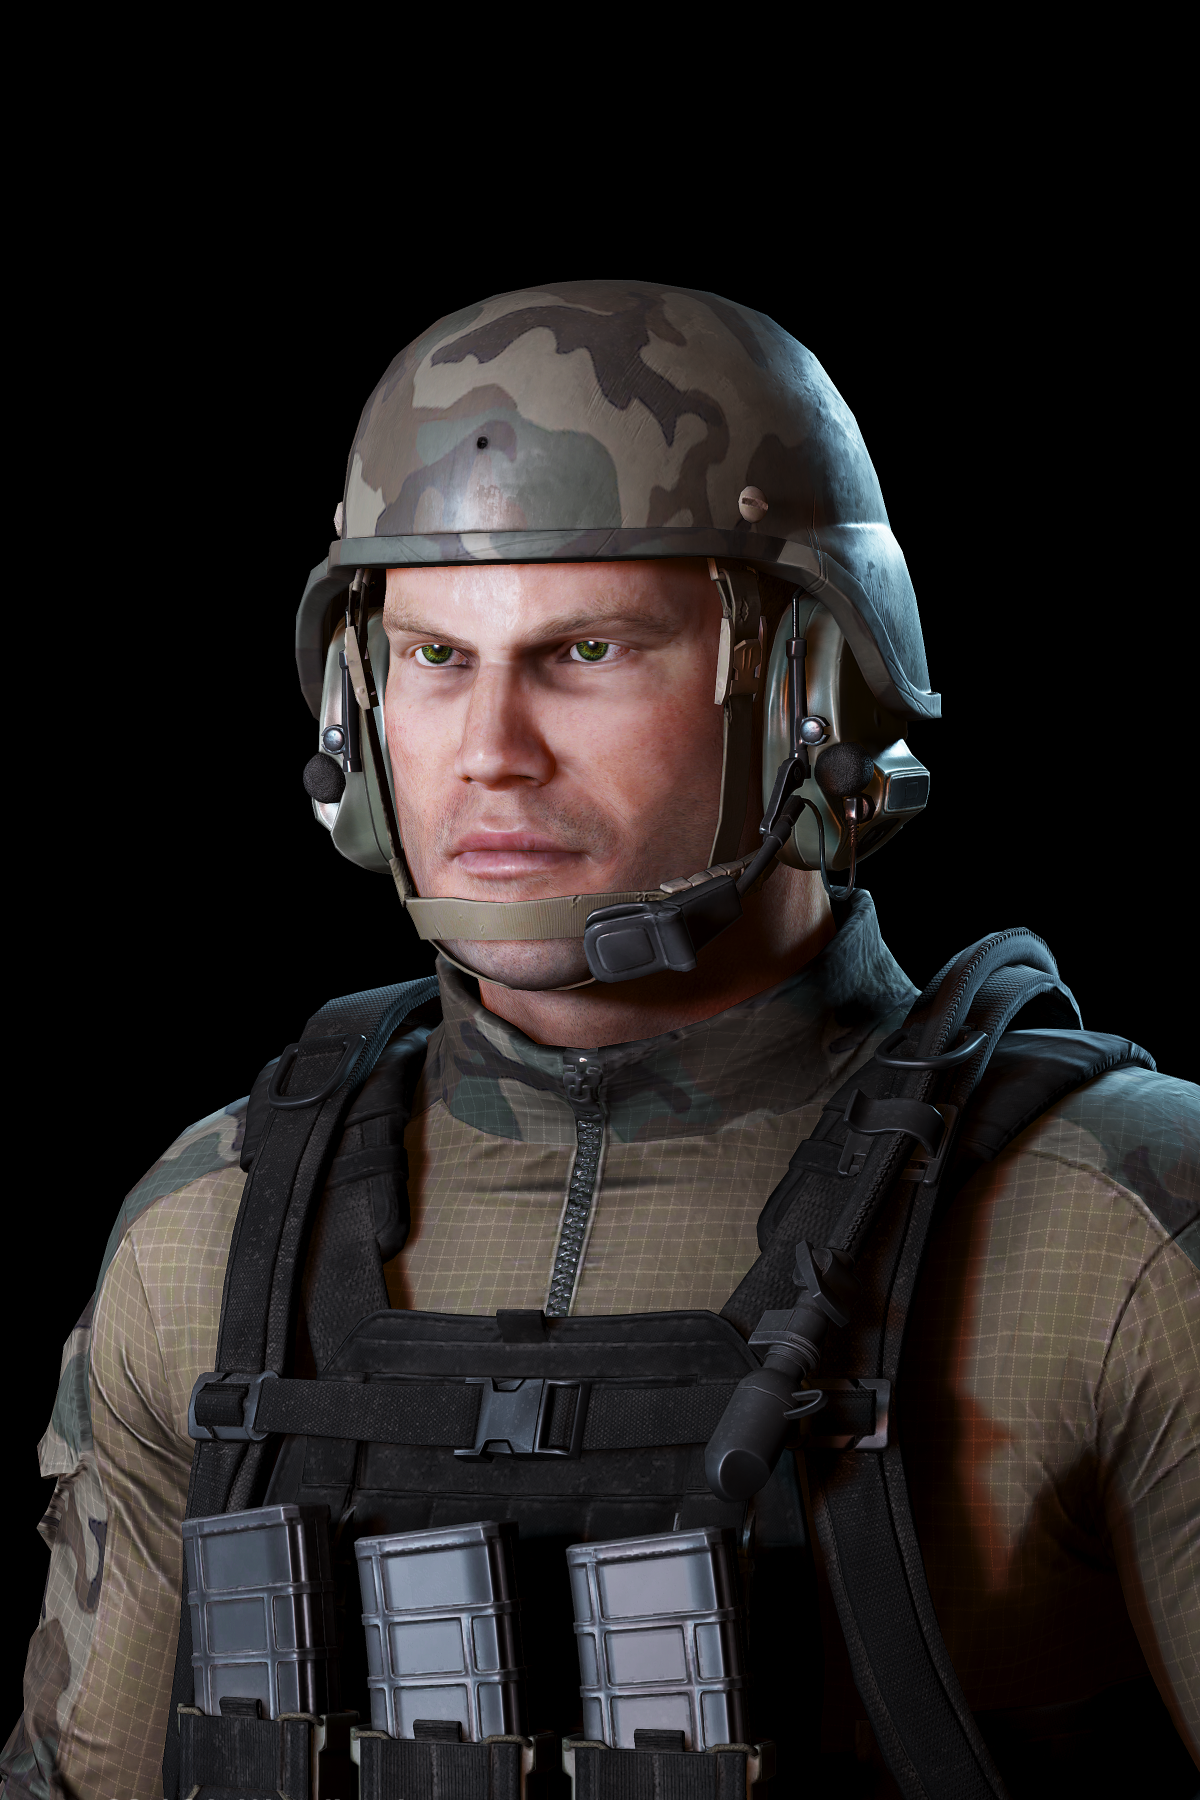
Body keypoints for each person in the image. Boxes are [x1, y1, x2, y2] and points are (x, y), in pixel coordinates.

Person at [3, 282, 1195, 1800]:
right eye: (435, 659)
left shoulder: (1113, 1235)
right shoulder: (212, 1239)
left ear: (810, 689)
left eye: (586, 652)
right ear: (356, 703)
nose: (489, 755)